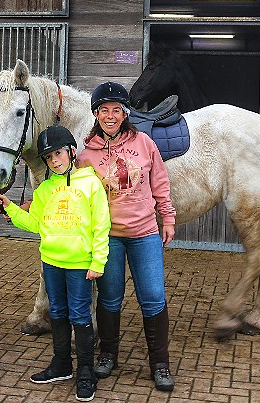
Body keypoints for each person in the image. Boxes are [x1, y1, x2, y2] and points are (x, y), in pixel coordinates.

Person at [0, 125, 110, 403]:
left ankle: (85, 371)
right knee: (57, 312)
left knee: (80, 315)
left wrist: (98, 260)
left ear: (71, 152)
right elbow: (34, 223)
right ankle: (61, 365)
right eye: (48, 157)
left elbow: (101, 224)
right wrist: (10, 207)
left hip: (80, 264)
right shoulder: (45, 189)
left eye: (58, 153)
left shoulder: (91, 183)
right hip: (52, 263)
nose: (55, 160)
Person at [77, 81, 177, 392]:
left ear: (125, 113)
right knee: (109, 298)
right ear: (96, 114)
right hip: (109, 238)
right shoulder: (85, 155)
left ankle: (159, 363)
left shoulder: (145, 143)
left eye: (116, 110)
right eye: (104, 110)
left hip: (145, 233)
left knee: (153, 297)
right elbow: (78, 195)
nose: (110, 115)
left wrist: (168, 218)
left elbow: (160, 182)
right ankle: (107, 354)